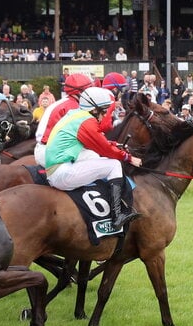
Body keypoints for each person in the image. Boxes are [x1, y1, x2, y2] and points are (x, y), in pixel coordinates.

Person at [45, 87, 141, 229]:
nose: (103, 116)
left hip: (58, 167)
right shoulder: (87, 122)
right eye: (103, 111)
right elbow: (105, 149)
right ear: (94, 109)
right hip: (61, 172)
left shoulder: (76, 115)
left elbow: (98, 142)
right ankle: (117, 215)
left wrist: (116, 144)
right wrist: (128, 157)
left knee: (94, 156)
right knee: (114, 164)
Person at [34, 72, 93, 167]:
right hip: (52, 151)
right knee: (94, 156)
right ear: (79, 92)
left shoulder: (63, 102)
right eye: (88, 90)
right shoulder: (74, 107)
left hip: (44, 148)